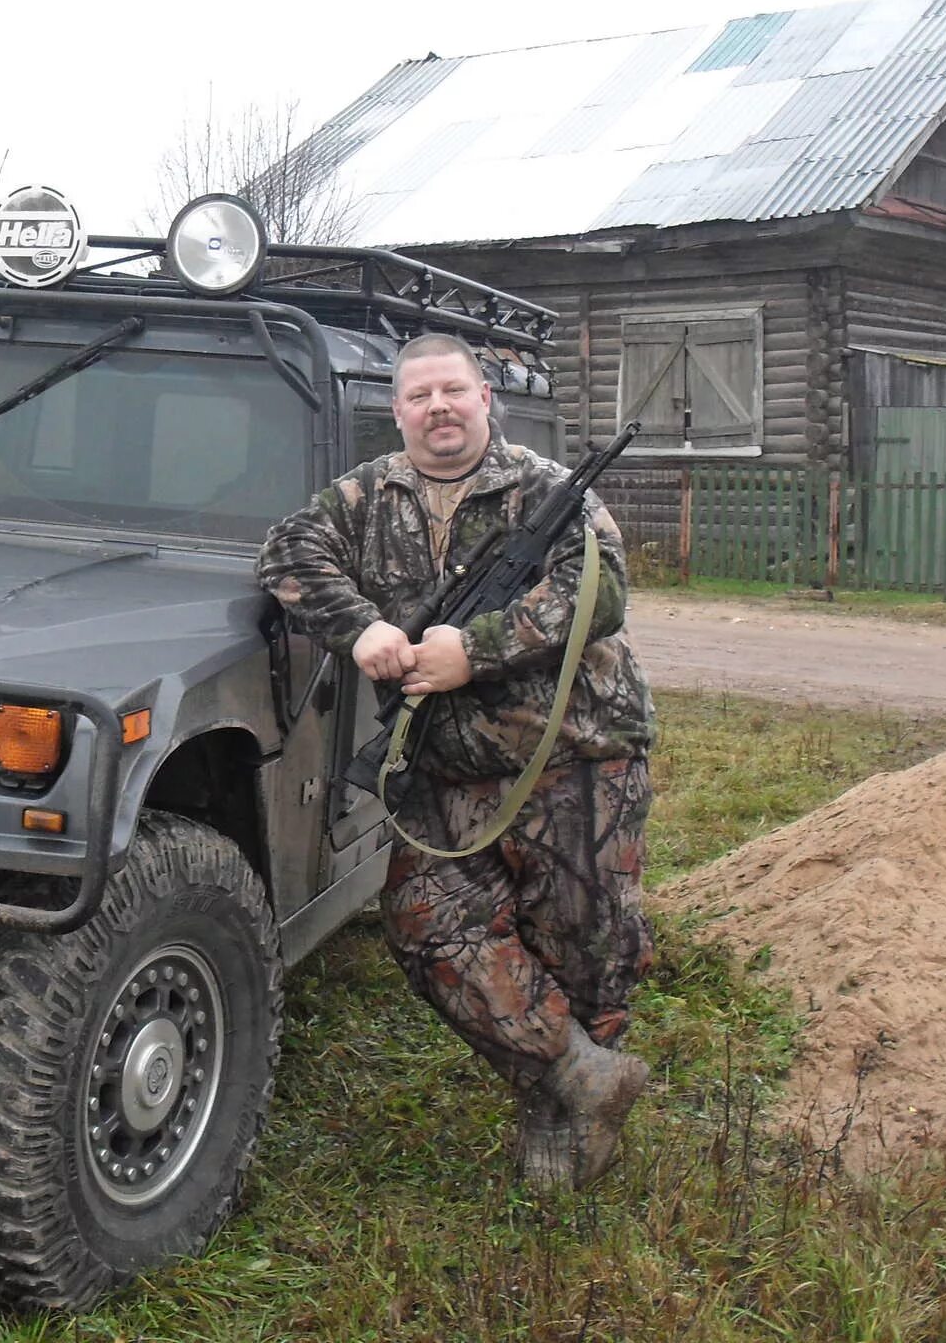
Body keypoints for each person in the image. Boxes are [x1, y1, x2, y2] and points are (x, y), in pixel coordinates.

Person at [257, 332, 657, 1190]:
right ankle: (581, 1075)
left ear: (485, 399)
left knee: (581, 943)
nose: (438, 408)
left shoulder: (550, 491)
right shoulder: (367, 494)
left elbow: (602, 592)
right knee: (426, 927)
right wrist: (362, 626)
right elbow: (287, 555)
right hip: (447, 764)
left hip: (576, 755)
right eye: (418, 396)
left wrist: (472, 651)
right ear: (397, 410)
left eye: (454, 391)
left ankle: (563, 1127)